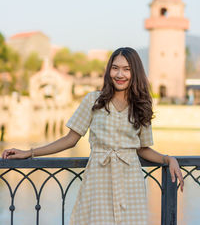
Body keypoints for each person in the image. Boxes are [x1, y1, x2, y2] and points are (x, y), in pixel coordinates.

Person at [2, 47, 184, 225]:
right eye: (115, 68)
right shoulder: (93, 100)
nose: (120, 74)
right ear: (109, 71)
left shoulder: (141, 105)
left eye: (126, 69)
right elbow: (69, 140)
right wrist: (29, 152)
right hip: (98, 178)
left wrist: (168, 159)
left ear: (135, 72)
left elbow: (143, 149)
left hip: (131, 182)